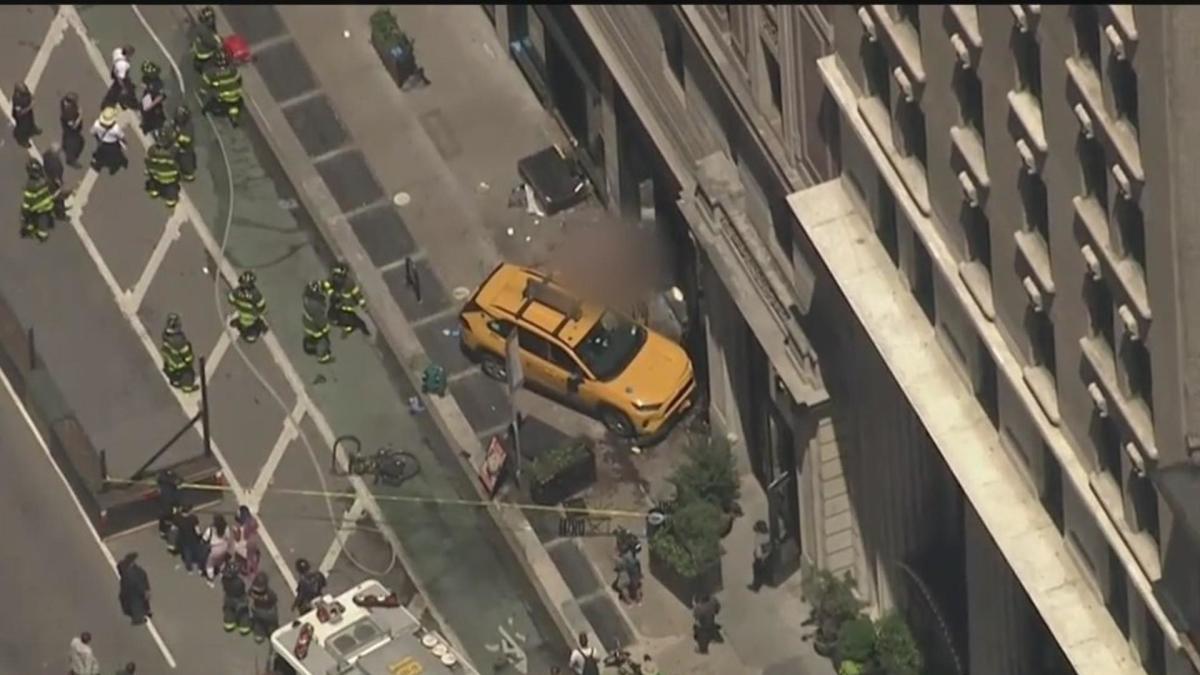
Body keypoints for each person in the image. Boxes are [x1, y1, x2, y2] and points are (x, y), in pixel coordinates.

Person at [322, 262, 370, 337]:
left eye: (339, 277)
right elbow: (326, 286)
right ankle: (348, 327)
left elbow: (357, 295)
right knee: (333, 318)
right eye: (335, 276)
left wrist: (363, 306)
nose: (337, 278)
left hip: (347, 304)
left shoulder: (349, 284)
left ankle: (354, 328)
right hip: (336, 302)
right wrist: (332, 293)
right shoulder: (331, 280)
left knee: (352, 320)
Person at [202, 51, 243, 127]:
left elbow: (206, 81)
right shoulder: (233, 70)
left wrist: (206, 88)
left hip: (224, 97)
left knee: (212, 96)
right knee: (238, 104)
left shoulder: (213, 73)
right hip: (236, 95)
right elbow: (239, 79)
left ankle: (206, 109)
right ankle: (234, 117)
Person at [160, 313, 199, 393]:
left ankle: (175, 381)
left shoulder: (166, 335)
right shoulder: (179, 340)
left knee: (176, 368)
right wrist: (189, 360)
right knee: (189, 372)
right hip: (178, 369)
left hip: (170, 367)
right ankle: (187, 388)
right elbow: (188, 356)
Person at [144, 126, 180, 209]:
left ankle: (154, 191)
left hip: (157, 176)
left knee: (152, 179)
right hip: (171, 178)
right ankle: (170, 200)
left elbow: (148, 161)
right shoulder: (173, 150)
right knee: (171, 189)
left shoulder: (152, 149)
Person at [20, 159, 55, 243]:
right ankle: (42, 235)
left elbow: (28, 200)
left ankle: (30, 229)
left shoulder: (31, 185)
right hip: (47, 205)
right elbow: (51, 188)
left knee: (29, 218)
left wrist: (25, 210)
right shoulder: (45, 180)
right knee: (43, 221)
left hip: (36, 208)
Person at [228, 271, 268, 343]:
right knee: (260, 321)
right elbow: (263, 308)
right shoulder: (256, 294)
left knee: (233, 322)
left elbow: (231, 299)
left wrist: (238, 304)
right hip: (253, 317)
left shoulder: (237, 291)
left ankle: (238, 323)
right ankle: (261, 325)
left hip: (241, 315)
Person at [302, 280, 334, 363]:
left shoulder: (308, 296)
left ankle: (310, 342)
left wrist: (329, 290)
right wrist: (326, 329)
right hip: (314, 328)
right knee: (323, 341)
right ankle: (322, 357)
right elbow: (320, 321)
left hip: (308, 322)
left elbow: (322, 284)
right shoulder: (315, 306)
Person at [90, 107, 128, 175]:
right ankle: (113, 169)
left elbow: (92, 132)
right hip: (113, 145)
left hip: (102, 143)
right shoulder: (115, 128)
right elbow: (122, 137)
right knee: (114, 157)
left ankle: (97, 166)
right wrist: (125, 143)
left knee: (101, 156)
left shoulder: (97, 124)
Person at [116, 552, 151, 625]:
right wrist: (144, 590)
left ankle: (143, 613)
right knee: (137, 603)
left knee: (136, 602)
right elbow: (138, 582)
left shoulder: (126, 569)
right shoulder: (132, 572)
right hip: (134, 590)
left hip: (128, 589)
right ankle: (139, 617)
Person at [221, 558, 251, 635]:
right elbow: (244, 589)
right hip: (240, 599)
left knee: (229, 610)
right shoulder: (239, 582)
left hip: (229, 597)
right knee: (243, 612)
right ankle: (244, 626)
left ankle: (229, 622)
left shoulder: (224, 579)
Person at [248, 571, 280, 644]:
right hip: (269, 612)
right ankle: (273, 634)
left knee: (258, 622)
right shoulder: (270, 593)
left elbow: (249, 593)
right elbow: (274, 600)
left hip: (257, 609)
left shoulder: (252, 591)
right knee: (272, 624)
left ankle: (259, 635)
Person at [174, 502, 205, 574]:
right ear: (189, 510)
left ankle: (189, 568)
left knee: (187, 553)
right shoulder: (193, 518)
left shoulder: (177, 517)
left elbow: (175, 529)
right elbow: (197, 530)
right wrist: (200, 537)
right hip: (193, 538)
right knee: (198, 553)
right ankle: (200, 568)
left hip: (183, 539)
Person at [42, 143, 69, 221]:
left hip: (47, 178)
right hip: (54, 183)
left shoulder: (46, 155)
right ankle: (60, 215)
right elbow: (57, 179)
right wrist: (61, 186)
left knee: (51, 195)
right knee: (59, 199)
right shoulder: (56, 165)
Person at [139, 61, 167, 134]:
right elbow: (142, 84)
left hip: (154, 103)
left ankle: (158, 130)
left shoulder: (158, 83)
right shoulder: (146, 78)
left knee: (157, 118)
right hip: (148, 99)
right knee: (145, 114)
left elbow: (160, 96)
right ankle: (146, 125)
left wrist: (151, 105)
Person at [191, 6, 221, 74]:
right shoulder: (206, 31)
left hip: (198, 49)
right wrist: (218, 44)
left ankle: (199, 67)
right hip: (204, 53)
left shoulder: (200, 27)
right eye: (211, 18)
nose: (213, 20)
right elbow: (211, 43)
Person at [105, 45, 137, 110]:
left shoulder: (117, 51)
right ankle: (122, 102)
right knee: (121, 90)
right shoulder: (124, 65)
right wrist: (123, 86)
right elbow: (120, 78)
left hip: (115, 70)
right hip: (119, 75)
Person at [203, 514, 232, 582]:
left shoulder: (210, 529)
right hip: (224, 547)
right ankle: (221, 574)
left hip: (214, 549)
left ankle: (211, 577)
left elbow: (204, 539)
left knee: (210, 564)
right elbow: (228, 537)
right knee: (221, 561)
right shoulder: (226, 527)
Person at [234, 505, 261, 578]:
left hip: (245, 545)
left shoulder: (239, 528)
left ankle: (249, 572)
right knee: (252, 556)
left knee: (248, 558)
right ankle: (256, 570)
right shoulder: (253, 521)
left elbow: (237, 539)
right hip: (253, 541)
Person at [11, 81, 40, 147]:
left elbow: (29, 95)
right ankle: (23, 141)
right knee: (23, 128)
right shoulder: (16, 99)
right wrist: (30, 107)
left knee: (31, 122)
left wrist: (32, 98)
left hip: (28, 113)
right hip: (21, 117)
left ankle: (33, 129)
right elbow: (19, 113)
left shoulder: (25, 92)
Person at [60, 92, 85, 167]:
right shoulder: (68, 113)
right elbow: (73, 126)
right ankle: (71, 160)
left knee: (75, 140)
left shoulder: (64, 102)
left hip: (68, 129)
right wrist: (80, 116)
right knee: (74, 144)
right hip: (71, 132)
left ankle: (64, 146)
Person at [173, 106, 197, 181]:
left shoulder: (188, 126)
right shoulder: (177, 122)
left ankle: (188, 175)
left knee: (186, 161)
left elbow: (187, 139)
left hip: (186, 148)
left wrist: (176, 138)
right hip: (179, 146)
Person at [750, 519, 772, 591]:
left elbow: (759, 552)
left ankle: (756, 586)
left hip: (762, 557)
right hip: (769, 555)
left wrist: (759, 558)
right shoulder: (768, 534)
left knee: (756, 568)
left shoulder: (758, 537)